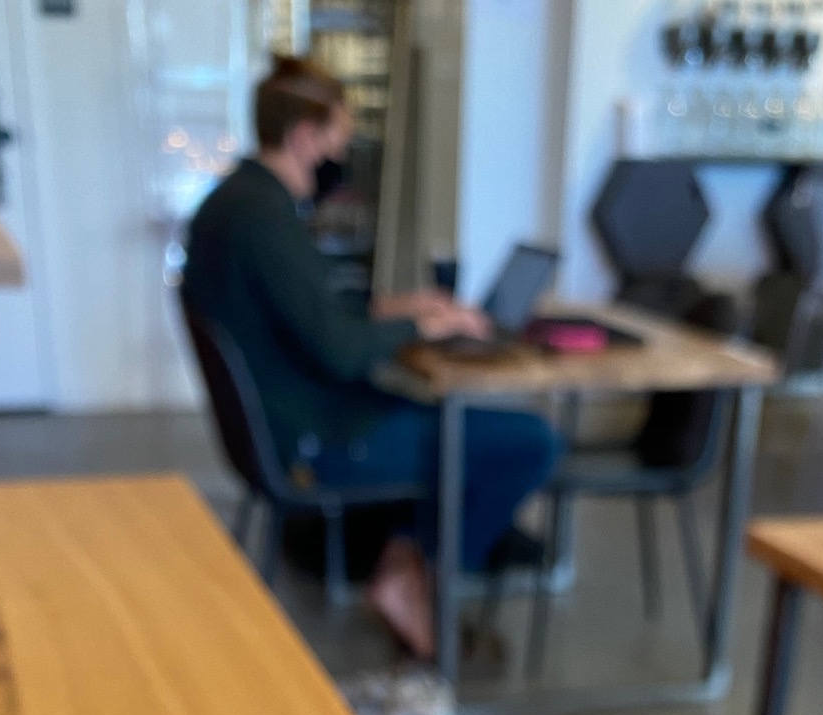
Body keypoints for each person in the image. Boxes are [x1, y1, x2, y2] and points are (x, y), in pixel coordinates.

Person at [182, 55, 559, 658]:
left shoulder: (238, 202)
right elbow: (340, 352)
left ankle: (403, 565)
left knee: (452, 426)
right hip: (315, 442)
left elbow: (307, 307)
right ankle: (414, 581)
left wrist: (391, 307)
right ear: (305, 138)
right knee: (529, 442)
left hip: (290, 425)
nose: (344, 156)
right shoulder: (262, 218)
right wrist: (422, 324)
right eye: (340, 140)